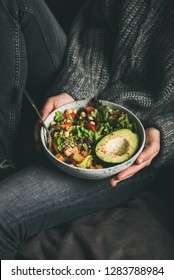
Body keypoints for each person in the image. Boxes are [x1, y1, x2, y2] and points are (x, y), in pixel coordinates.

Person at [0, 0, 173, 260]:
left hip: (142, 136)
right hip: (89, 79)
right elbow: (97, 25)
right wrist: (74, 87)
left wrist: (166, 130)